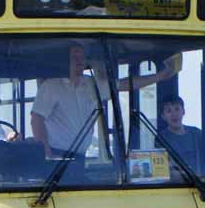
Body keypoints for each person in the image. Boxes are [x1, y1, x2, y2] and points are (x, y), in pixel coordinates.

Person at [31, 44, 182, 157]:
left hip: (80, 156)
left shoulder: (92, 85)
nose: (79, 61)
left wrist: (159, 76)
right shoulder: (51, 86)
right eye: (74, 57)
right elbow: (37, 118)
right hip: (56, 155)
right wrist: (45, 151)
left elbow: (125, 84)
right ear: (65, 60)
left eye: (82, 57)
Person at [158, 94, 202, 173]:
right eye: (169, 111)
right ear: (163, 116)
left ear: (183, 111)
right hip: (176, 184)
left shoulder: (196, 133)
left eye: (177, 109)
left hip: (197, 182)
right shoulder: (161, 139)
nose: (174, 114)